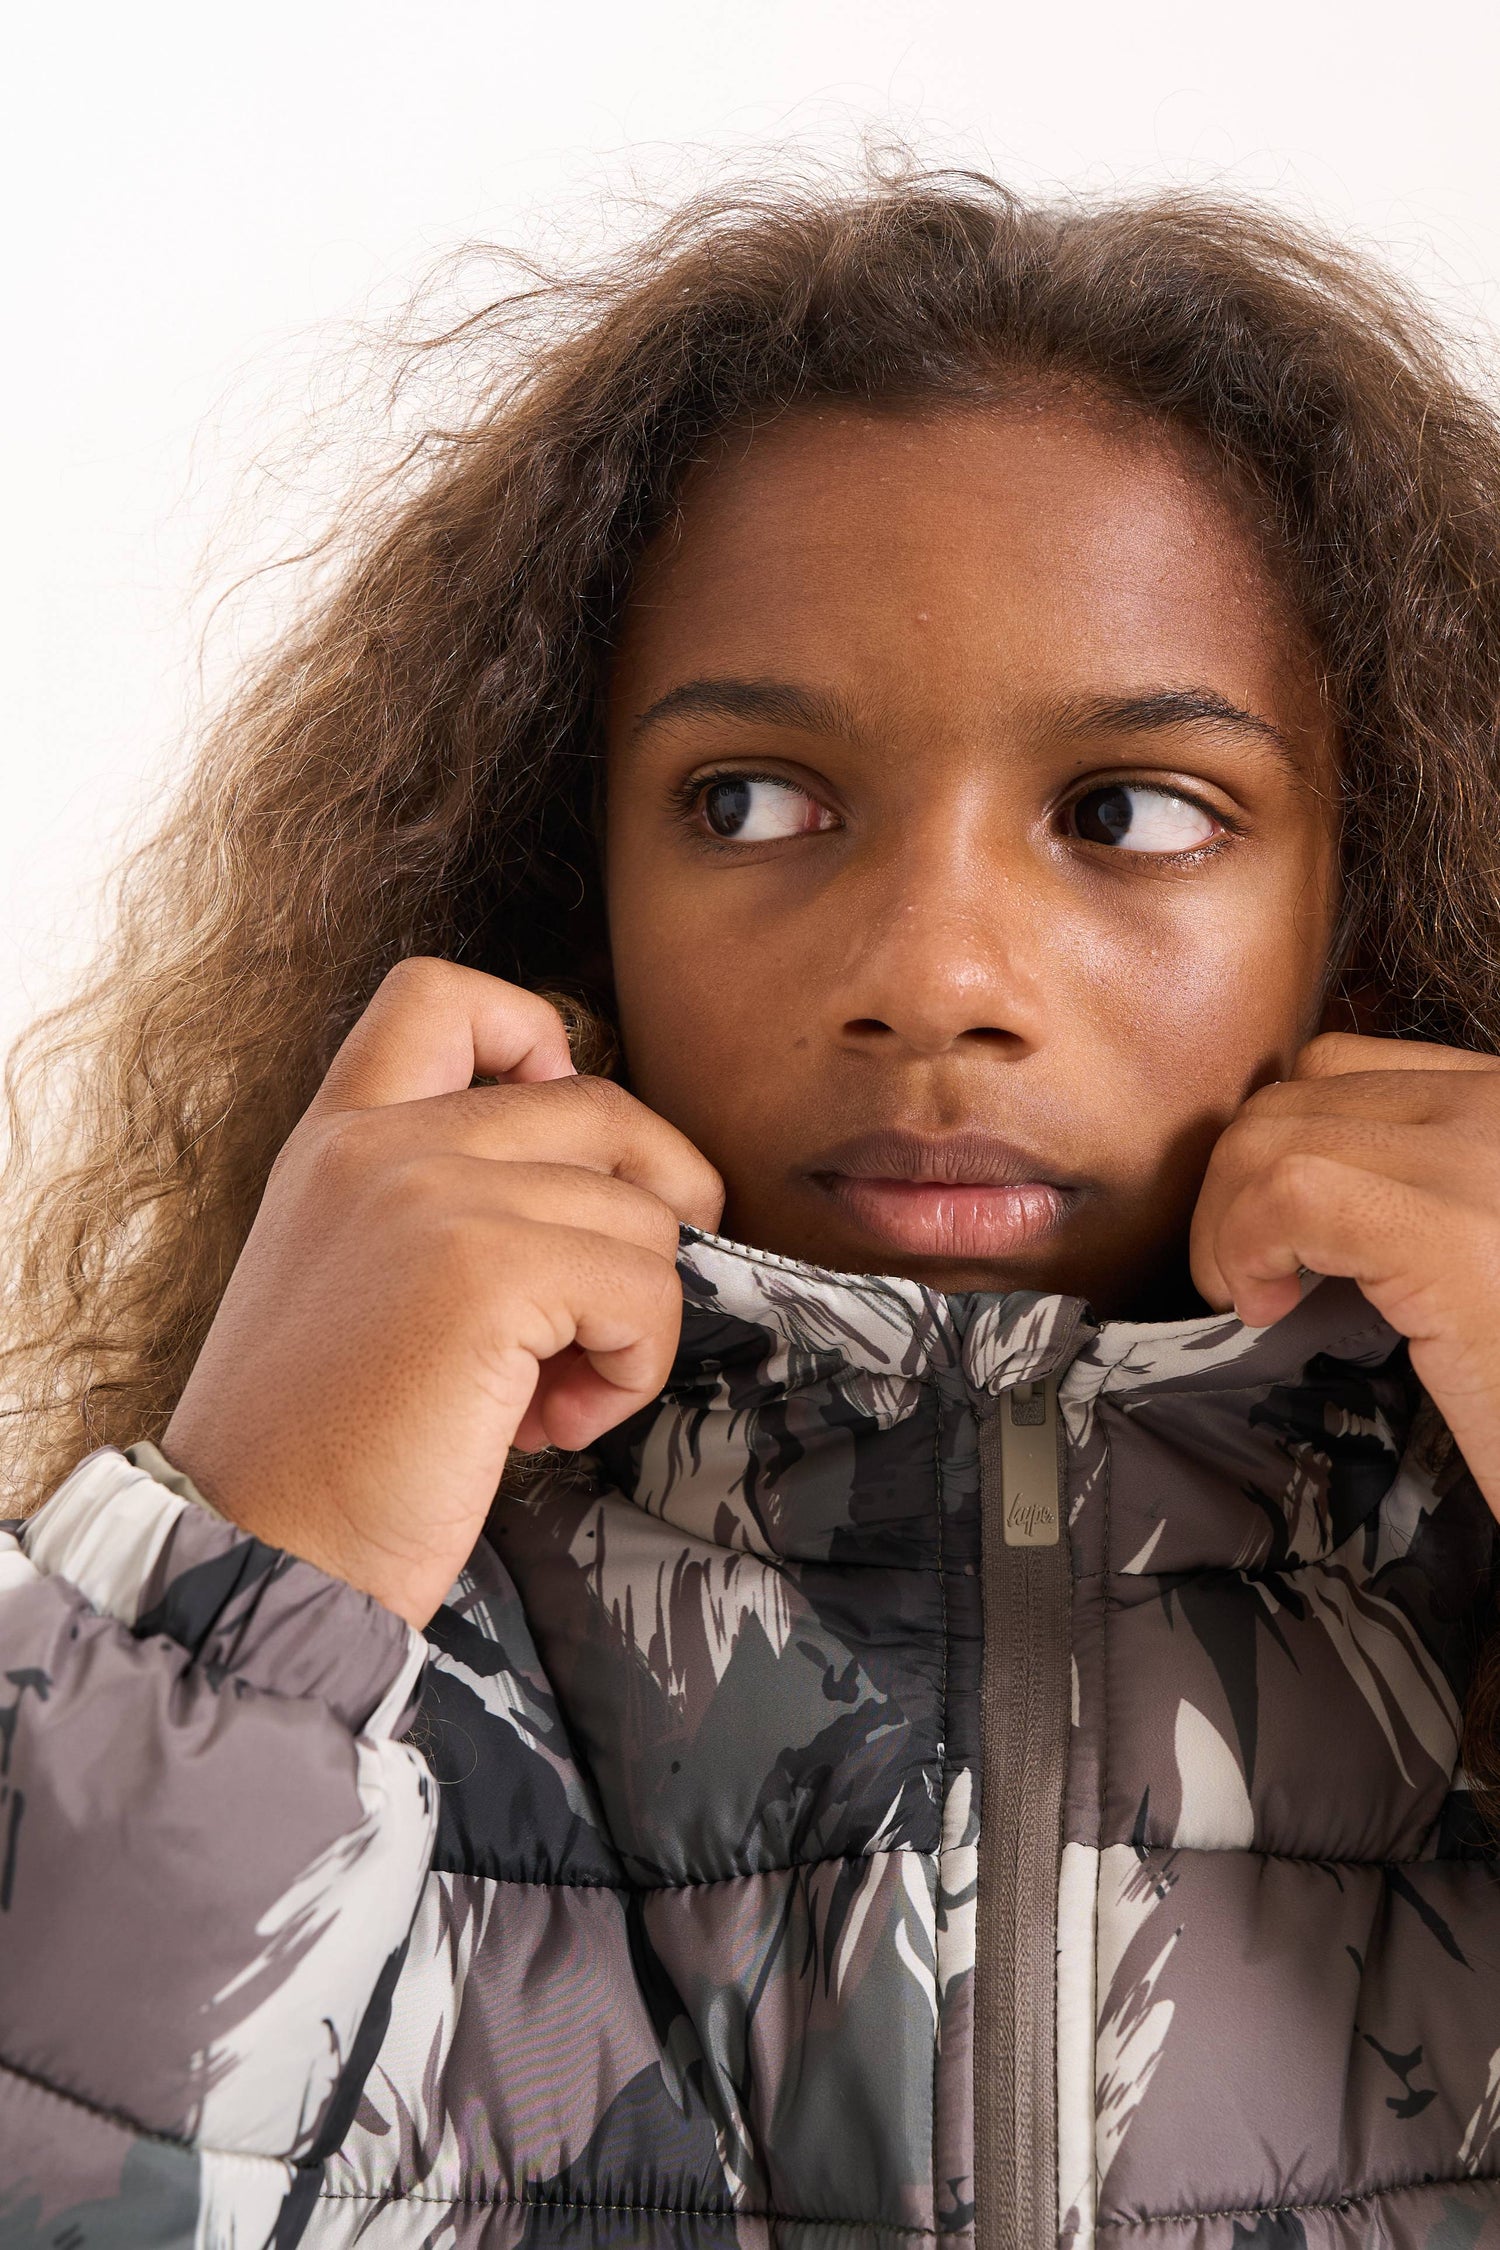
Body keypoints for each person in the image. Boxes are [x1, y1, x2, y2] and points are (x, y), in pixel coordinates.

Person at [3, 166, 1500, 2250]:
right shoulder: (343, 1642)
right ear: (568, 875)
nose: (937, 973)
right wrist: (244, 1604)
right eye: (754, 801)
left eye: (1132, 812)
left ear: (1376, 901)